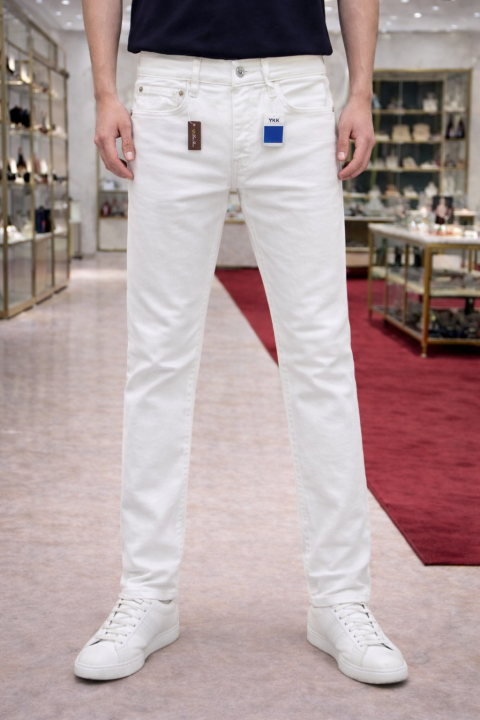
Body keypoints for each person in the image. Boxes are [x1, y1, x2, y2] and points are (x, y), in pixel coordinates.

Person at [74, 0, 408, 685]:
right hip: (171, 89)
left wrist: (361, 89)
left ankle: (340, 598)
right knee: (158, 358)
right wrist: (106, 90)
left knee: (321, 357)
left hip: (293, 88)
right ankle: (148, 593)